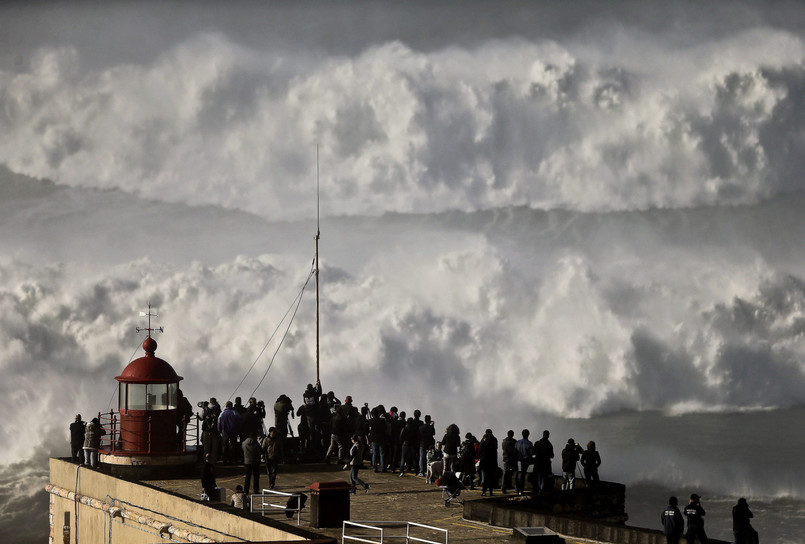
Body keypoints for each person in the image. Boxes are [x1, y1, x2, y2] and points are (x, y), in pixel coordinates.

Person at [478, 429, 498, 496]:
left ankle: (484, 492)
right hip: (492, 462)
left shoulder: (483, 441)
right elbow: (496, 449)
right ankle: (491, 492)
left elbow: (479, 449)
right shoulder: (494, 440)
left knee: (484, 477)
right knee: (491, 477)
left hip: (484, 462)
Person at [514, 429, 534, 495]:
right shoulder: (529, 443)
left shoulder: (518, 442)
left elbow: (515, 451)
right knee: (523, 474)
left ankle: (518, 489)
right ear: (528, 434)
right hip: (526, 459)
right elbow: (531, 453)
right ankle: (521, 489)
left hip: (519, 459)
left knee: (521, 474)